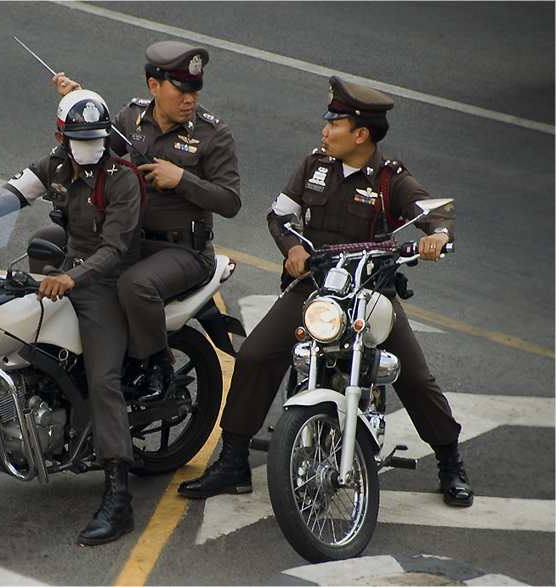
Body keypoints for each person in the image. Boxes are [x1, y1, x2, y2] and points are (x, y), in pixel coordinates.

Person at [178, 76, 474, 508]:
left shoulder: (390, 179)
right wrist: (293, 247)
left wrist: (436, 237)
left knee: (413, 375)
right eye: (327, 122)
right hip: (314, 290)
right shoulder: (315, 165)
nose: (325, 130)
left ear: (361, 134)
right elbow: (279, 216)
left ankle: (450, 462)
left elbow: (436, 215)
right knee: (258, 355)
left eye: (335, 124)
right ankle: (233, 461)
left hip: (370, 295)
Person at [0, 90, 143, 545]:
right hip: (66, 268)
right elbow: (3, 198)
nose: (90, 147)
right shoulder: (55, 164)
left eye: (96, 138)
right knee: (2, 319)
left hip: (107, 282)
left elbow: (114, 251)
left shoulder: (121, 178)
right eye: (79, 138)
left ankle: (119, 498)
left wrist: (73, 280)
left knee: (103, 381)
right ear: (61, 135)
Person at [47, 41, 241, 403]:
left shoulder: (213, 135)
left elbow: (231, 201)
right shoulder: (130, 119)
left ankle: (156, 364)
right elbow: (93, 152)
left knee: (135, 284)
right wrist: (80, 107)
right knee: (45, 241)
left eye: (195, 90)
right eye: (181, 89)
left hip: (182, 249)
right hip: (127, 239)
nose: (190, 99)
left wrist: (181, 179)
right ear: (154, 87)